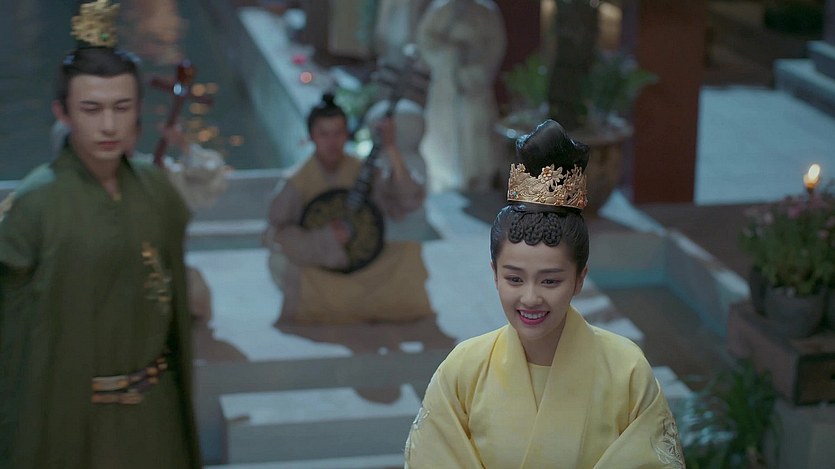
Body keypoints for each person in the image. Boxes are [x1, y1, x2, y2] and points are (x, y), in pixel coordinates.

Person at [404, 120, 685, 468]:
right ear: (494, 275)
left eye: (550, 281)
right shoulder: (464, 368)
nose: (530, 298)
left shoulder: (626, 370)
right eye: (514, 279)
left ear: (580, 279)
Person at [0, 1, 200, 467]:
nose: (108, 125)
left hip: (156, 406)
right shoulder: (35, 204)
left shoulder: (157, 191)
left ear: (138, 111)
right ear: (63, 113)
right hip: (72, 417)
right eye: (91, 109)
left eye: (121, 107)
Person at [264, 93, 434, 325]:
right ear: (311, 136)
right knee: (281, 263)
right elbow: (276, 235)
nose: (332, 142)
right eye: (324, 134)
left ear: (347, 134)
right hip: (321, 265)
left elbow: (406, 200)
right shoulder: (295, 181)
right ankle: (364, 305)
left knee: (409, 255)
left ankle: (347, 304)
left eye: (338, 133)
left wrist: (391, 149)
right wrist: (326, 238)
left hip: (364, 264)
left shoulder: (361, 169)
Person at [416, 0, 506, 192]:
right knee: (442, 141)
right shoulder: (440, 9)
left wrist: (474, 72)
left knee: (477, 138)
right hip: (445, 87)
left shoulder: (486, 11)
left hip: (474, 87)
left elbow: (495, 47)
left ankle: (478, 183)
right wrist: (449, 57)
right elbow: (425, 41)